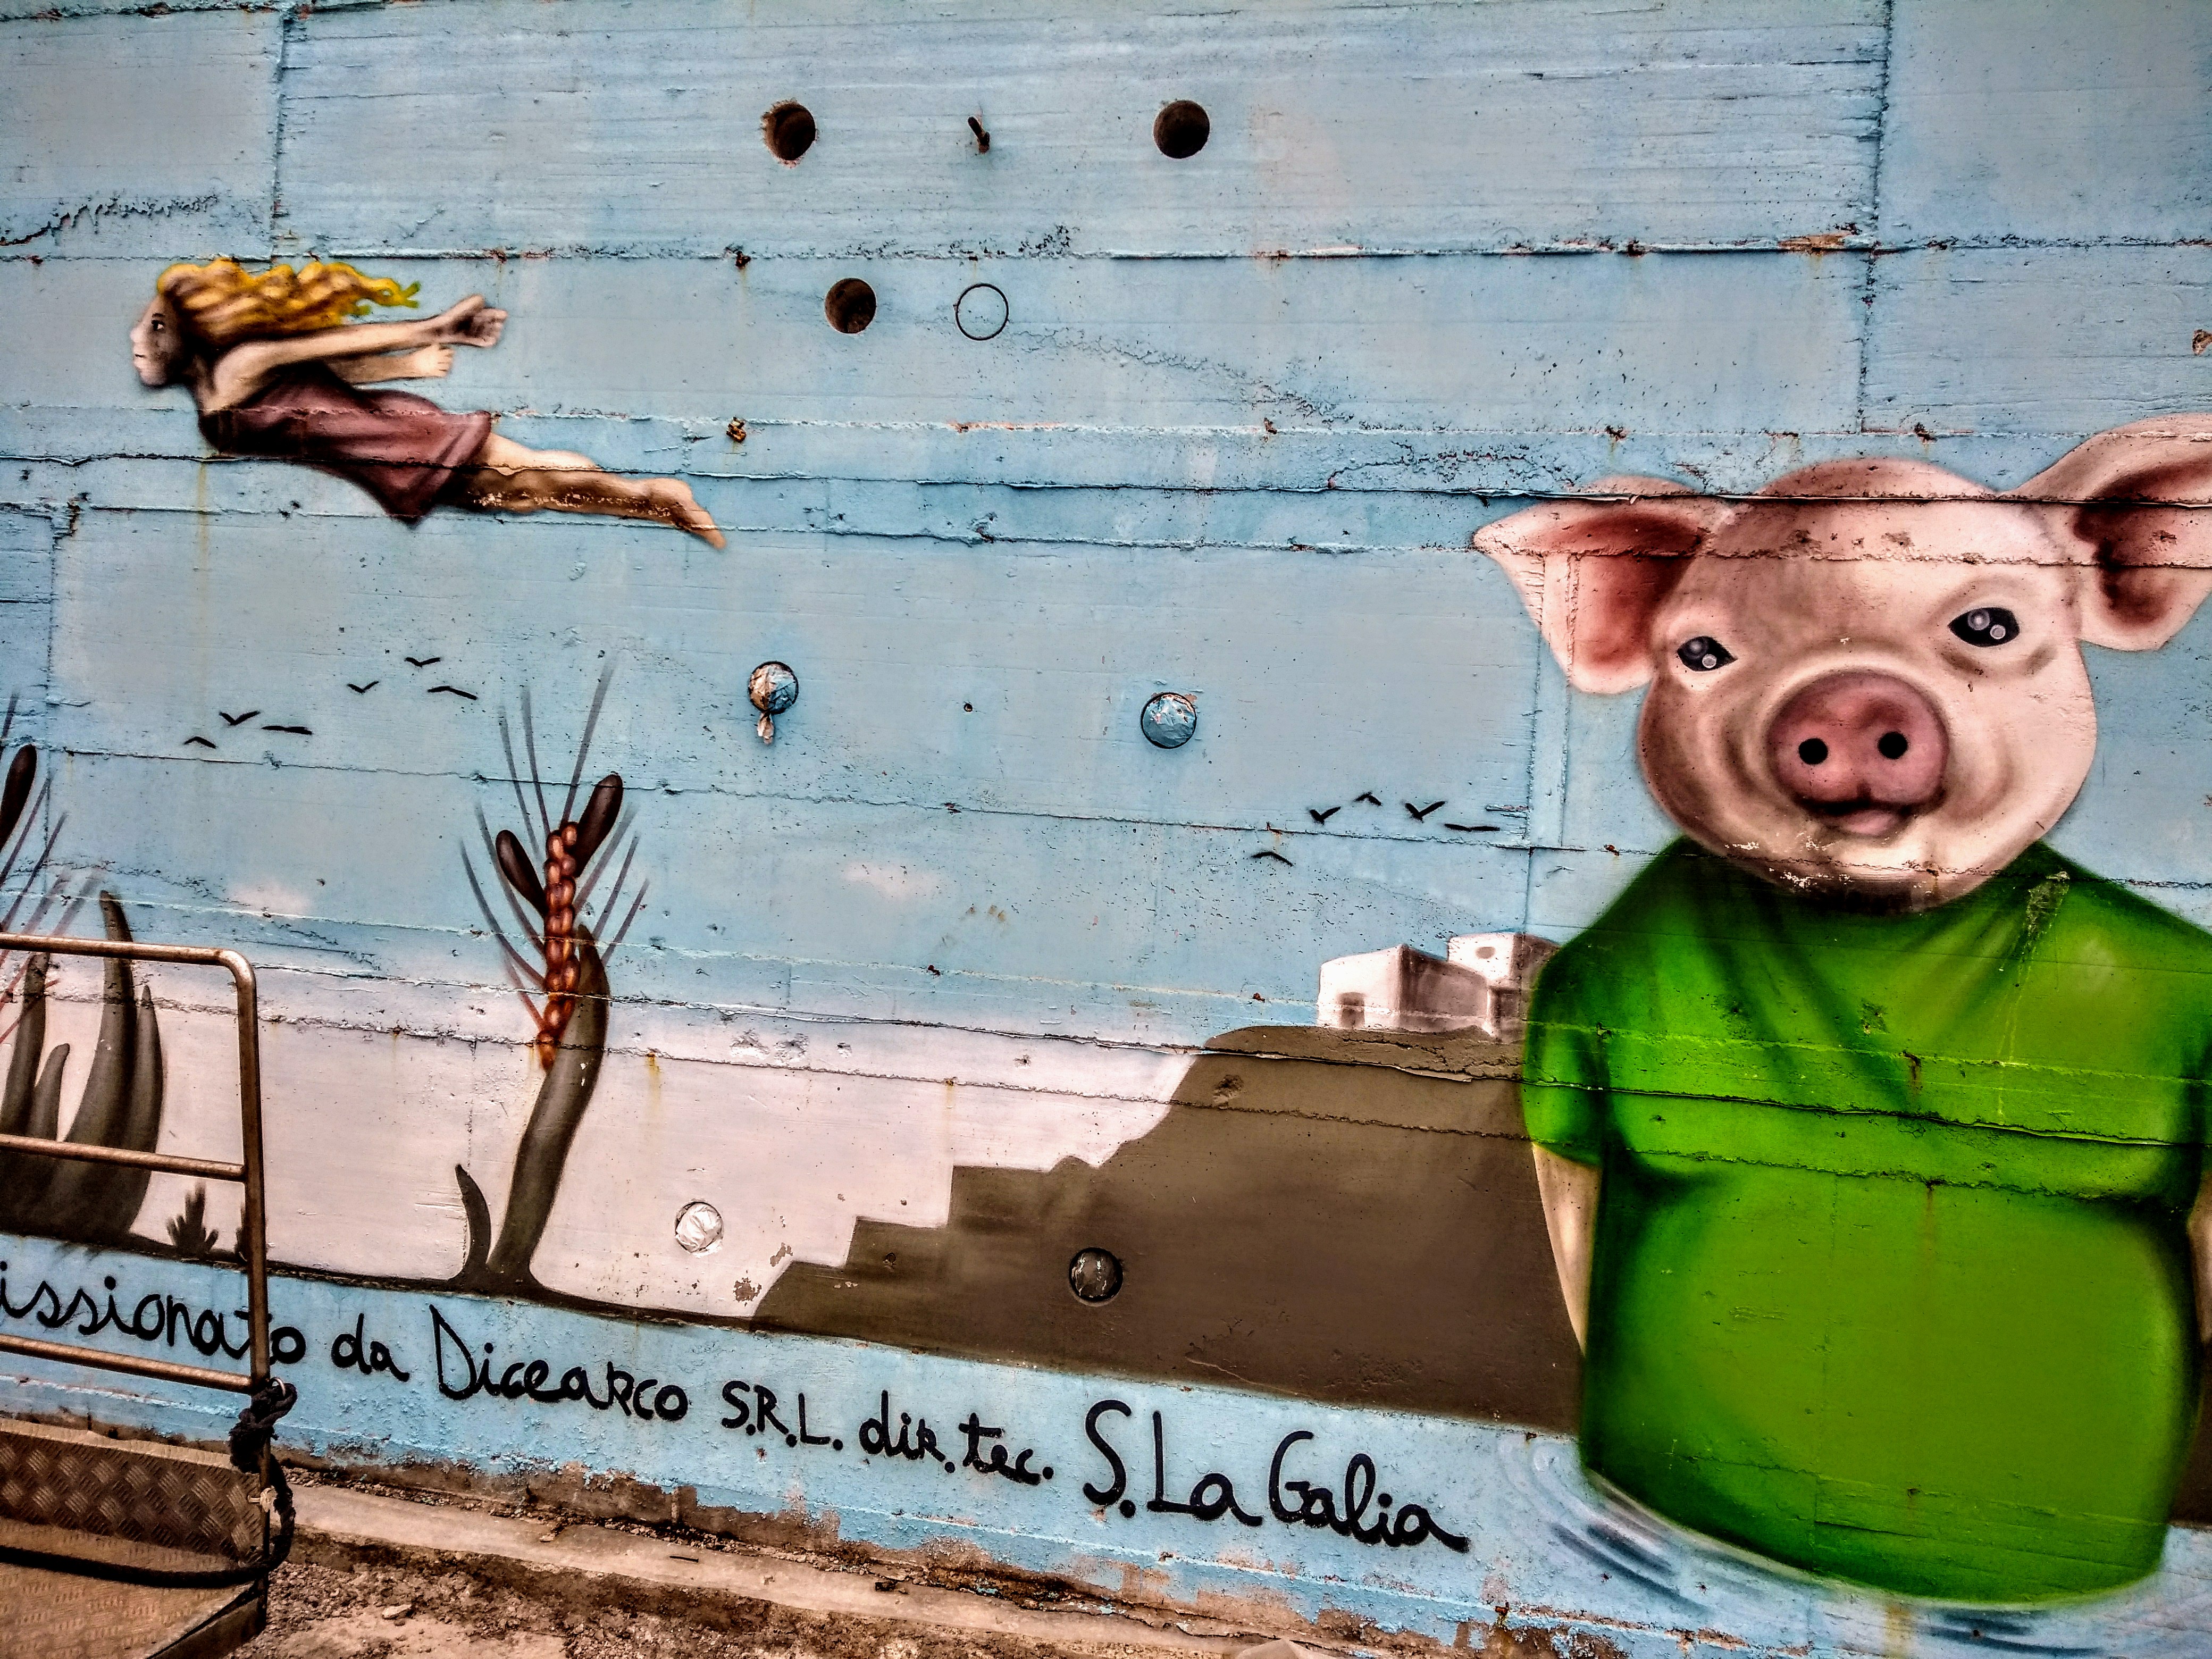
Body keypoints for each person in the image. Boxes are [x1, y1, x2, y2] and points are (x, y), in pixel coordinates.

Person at [130, 258, 723, 546]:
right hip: (382, 456)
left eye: (154, 326)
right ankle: (646, 505)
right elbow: (328, 368)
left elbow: (335, 342)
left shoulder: (235, 367)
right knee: (519, 498)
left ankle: (652, 497)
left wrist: (433, 329)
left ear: (187, 331)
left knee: (528, 477)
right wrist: (407, 366)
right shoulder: (223, 385)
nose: (138, 338)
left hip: (396, 438)